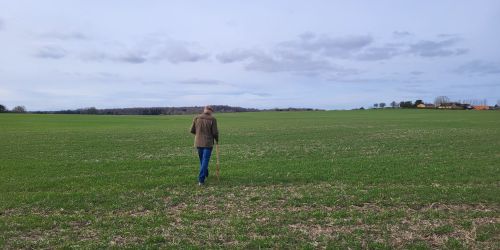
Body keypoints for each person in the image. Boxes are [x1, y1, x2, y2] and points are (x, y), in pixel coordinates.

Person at [190, 105, 219, 186]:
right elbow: (215, 133)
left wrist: (198, 134)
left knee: (202, 160)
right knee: (205, 160)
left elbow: (192, 130)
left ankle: (205, 173)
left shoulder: (196, 118)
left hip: (198, 142)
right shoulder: (213, 119)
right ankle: (201, 180)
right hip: (208, 143)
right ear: (211, 111)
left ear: (204, 110)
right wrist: (217, 140)